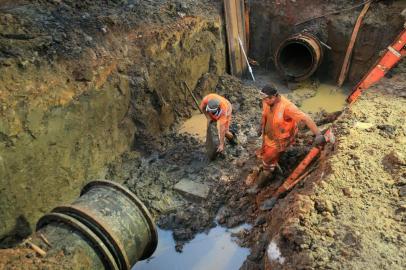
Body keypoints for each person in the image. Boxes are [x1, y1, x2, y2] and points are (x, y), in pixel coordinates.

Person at [254, 84, 324, 183]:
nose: (264, 101)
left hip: (278, 142)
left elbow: (305, 118)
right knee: (267, 155)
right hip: (267, 138)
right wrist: (261, 127)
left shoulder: (287, 107)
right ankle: (274, 163)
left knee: (267, 163)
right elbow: (265, 114)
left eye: (266, 99)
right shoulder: (266, 101)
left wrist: (318, 134)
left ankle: (259, 183)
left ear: (273, 97)